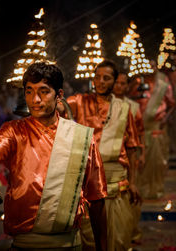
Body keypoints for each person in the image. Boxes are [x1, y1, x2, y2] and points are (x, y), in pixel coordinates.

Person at [0, 62, 108, 251]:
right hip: (24, 244)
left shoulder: (81, 138)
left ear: (59, 95)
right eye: (29, 91)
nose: (35, 99)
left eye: (44, 91)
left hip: (69, 244)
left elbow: (97, 199)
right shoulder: (13, 131)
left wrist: (102, 247)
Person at [60, 59, 141, 251]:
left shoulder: (124, 108)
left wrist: (134, 182)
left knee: (118, 239)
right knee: (90, 240)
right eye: (97, 77)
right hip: (87, 181)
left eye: (106, 78)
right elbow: (60, 107)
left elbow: (131, 147)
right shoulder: (79, 101)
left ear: (114, 81)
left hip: (116, 180)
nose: (101, 82)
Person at [130, 60, 175, 199]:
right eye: (148, 65)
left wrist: (165, 119)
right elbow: (131, 100)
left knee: (156, 162)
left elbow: (171, 104)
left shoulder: (163, 84)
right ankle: (140, 189)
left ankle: (155, 190)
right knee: (138, 162)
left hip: (156, 128)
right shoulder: (138, 83)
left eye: (153, 66)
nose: (151, 68)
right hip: (140, 129)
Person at [113, 71, 145, 246]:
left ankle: (128, 233)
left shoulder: (133, 107)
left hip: (127, 159)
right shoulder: (101, 105)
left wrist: (143, 154)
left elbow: (140, 134)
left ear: (127, 86)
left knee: (129, 198)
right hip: (108, 161)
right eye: (116, 82)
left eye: (123, 83)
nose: (119, 86)